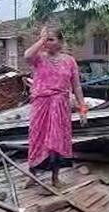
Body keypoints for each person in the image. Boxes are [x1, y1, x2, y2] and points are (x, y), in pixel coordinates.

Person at [24, 27, 88, 187]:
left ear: (60, 42)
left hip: (60, 106)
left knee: (57, 141)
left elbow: (77, 87)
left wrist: (82, 108)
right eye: (46, 40)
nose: (47, 43)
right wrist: (41, 40)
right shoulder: (39, 58)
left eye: (51, 39)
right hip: (41, 105)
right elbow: (27, 56)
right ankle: (32, 174)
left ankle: (55, 177)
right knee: (36, 139)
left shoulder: (69, 61)